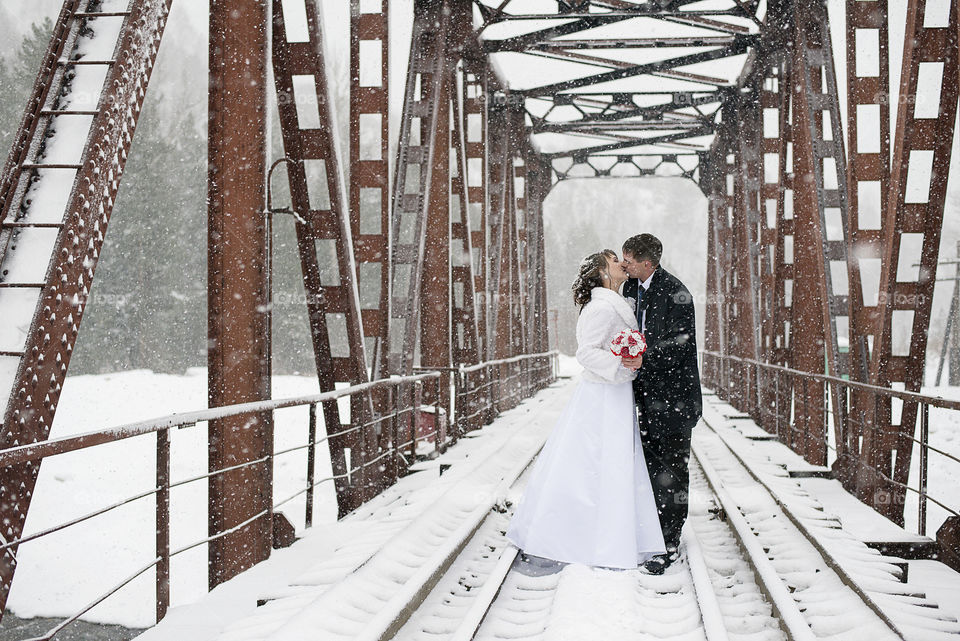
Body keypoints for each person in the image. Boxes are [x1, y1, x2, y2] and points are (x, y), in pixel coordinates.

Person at [505, 249, 666, 570]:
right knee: (593, 462)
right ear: (602, 272)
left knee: (611, 462)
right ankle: (578, 536)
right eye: (613, 260)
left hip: (615, 393)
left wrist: (627, 366)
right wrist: (622, 366)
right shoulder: (600, 308)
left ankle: (607, 533)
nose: (621, 263)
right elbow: (586, 353)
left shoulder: (615, 302)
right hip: (603, 394)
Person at [621, 233, 702, 575]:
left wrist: (643, 359)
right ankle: (648, 535)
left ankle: (668, 542)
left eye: (629, 261)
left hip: (673, 400)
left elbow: (680, 344)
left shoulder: (676, 293)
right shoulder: (629, 290)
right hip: (640, 397)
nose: (624, 265)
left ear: (647, 263)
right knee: (645, 470)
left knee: (670, 472)